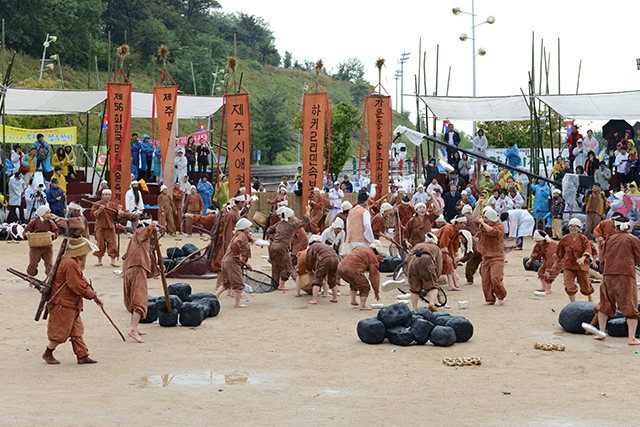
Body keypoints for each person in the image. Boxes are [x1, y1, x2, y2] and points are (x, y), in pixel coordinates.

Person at [41, 236, 102, 365]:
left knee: (76, 330)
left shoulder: (72, 262)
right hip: (63, 303)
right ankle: (48, 353)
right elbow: (76, 285)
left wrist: (94, 295)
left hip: (71, 303)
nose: (85, 255)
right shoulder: (69, 263)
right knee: (60, 332)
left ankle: (82, 355)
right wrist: (91, 294)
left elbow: (80, 281)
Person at [593, 216, 640, 345]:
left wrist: (604, 272)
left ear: (616, 227)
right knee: (630, 305)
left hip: (608, 275)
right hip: (626, 275)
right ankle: (632, 338)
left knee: (605, 304)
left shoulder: (609, 239)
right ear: (629, 227)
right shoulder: (633, 239)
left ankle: (602, 333)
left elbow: (602, 258)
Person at [122, 221, 158, 342]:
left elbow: (149, 255)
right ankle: (133, 329)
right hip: (137, 268)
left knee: (134, 298)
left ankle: (135, 328)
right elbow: (143, 232)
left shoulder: (135, 240)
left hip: (131, 268)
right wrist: (149, 228)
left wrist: (157, 268)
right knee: (139, 298)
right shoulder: (139, 232)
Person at [267, 206, 311, 291]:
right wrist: (308, 210)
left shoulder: (278, 224)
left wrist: (274, 238)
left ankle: (274, 284)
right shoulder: (292, 224)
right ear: (289, 216)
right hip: (282, 248)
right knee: (287, 267)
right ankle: (281, 285)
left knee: (275, 267)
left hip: (273, 247)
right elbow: (305, 221)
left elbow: (269, 230)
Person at [472, 200, 507, 305]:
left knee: (496, 278)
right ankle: (490, 299)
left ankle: (501, 296)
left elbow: (492, 232)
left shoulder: (499, 226)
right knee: (485, 280)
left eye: (486, 218)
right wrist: (478, 204)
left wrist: (482, 223)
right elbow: (474, 217)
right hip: (485, 257)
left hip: (497, 257)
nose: (484, 219)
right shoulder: (483, 224)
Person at [215, 218, 254, 308]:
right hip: (232, 262)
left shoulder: (239, 234)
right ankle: (237, 303)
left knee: (227, 283)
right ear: (244, 228)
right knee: (239, 283)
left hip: (226, 261)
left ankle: (216, 295)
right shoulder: (241, 235)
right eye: (248, 227)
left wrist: (244, 263)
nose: (250, 229)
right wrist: (237, 255)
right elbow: (235, 244)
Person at [553, 218, 594, 303]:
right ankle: (573, 303)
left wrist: (583, 258)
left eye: (575, 226)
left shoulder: (583, 239)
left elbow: (588, 249)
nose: (573, 228)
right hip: (569, 266)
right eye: (571, 226)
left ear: (579, 228)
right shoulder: (564, 239)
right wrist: (555, 263)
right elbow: (559, 252)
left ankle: (590, 297)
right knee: (568, 284)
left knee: (585, 285)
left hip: (581, 267)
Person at [338, 240, 384, 310]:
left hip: (340, 266)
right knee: (365, 286)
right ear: (377, 252)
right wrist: (376, 291)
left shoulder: (360, 247)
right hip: (351, 269)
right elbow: (374, 276)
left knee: (354, 282)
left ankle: (353, 300)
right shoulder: (373, 257)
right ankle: (363, 305)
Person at [22, 206, 59, 277]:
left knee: (49, 264)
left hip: (47, 247)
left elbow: (56, 231)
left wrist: (52, 234)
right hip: (35, 247)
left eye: (49, 213)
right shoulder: (33, 222)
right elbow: (25, 232)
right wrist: (27, 234)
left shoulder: (50, 222)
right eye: (46, 213)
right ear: (41, 213)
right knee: (33, 264)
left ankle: (49, 279)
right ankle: (31, 277)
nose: (49, 215)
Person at [435, 214, 466, 291]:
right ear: (459, 223)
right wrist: (447, 255)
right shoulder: (448, 229)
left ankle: (452, 285)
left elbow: (455, 244)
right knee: (441, 264)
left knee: (450, 263)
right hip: (437, 245)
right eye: (464, 223)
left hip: (446, 246)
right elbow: (443, 243)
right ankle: (449, 284)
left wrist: (454, 254)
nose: (465, 225)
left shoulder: (456, 231)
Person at [526, 230, 562, 295]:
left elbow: (551, 258)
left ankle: (548, 289)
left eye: (539, 241)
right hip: (546, 261)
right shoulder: (540, 243)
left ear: (543, 239)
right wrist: (531, 259)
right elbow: (536, 251)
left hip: (556, 262)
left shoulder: (551, 245)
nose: (537, 243)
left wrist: (548, 270)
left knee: (549, 275)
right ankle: (544, 287)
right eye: (536, 241)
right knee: (541, 272)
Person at [305, 239, 341, 305]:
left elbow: (309, 259)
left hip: (324, 259)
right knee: (333, 279)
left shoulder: (312, 246)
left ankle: (314, 300)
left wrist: (309, 269)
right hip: (336, 259)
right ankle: (335, 298)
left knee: (318, 279)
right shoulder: (325, 245)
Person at [90, 189, 119, 267]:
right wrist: (100, 210)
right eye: (106, 195)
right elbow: (93, 215)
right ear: (102, 196)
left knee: (113, 244)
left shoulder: (113, 205)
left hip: (110, 227)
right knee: (100, 244)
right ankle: (99, 261)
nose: (107, 196)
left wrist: (119, 210)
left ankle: (113, 262)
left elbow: (118, 215)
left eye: (109, 195)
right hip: (100, 227)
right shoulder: (97, 204)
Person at [345, 188, 375, 252]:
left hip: (351, 241)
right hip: (362, 242)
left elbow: (348, 226)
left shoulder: (350, 211)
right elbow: (367, 226)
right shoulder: (364, 212)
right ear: (365, 202)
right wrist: (371, 240)